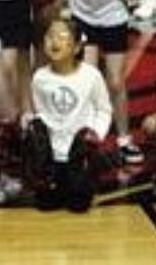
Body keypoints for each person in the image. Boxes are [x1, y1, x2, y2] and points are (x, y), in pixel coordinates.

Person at [53, 0, 156, 163]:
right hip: (83, 19)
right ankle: (86, 138)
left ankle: (123, 139)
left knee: (114, 82)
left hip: (113, 20)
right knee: (87, 80)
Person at [28, 16, 112, 212]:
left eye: (62, 36)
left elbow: (104, 110)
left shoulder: (91, 75)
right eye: (50, 36)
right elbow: (40, 111)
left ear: (76, 48)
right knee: (47, 205)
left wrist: (94, 135)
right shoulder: (40, 77)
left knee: (79, 205)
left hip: (80, 155)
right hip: (52, 156)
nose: (54, 41)